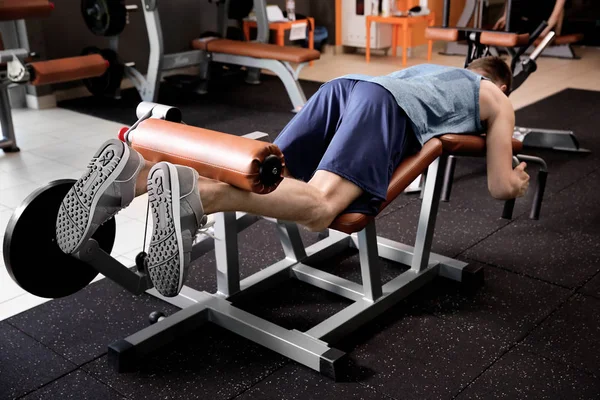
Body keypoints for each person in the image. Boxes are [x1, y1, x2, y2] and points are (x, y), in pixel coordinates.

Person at [55, 56, 530, 298]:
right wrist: (518, 178)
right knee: (321, 209)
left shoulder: (435, 70)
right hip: (383, 111)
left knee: (265, 176)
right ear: (501, 82)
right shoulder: (496, 96)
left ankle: (134, 178)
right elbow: (498, 185)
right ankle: (199, 199)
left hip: (344, 88)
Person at [493, 0, 565, 38]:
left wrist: (545, 29)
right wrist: (505, 16)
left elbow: (556, 14)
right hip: (525, 19)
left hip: (543, 21)